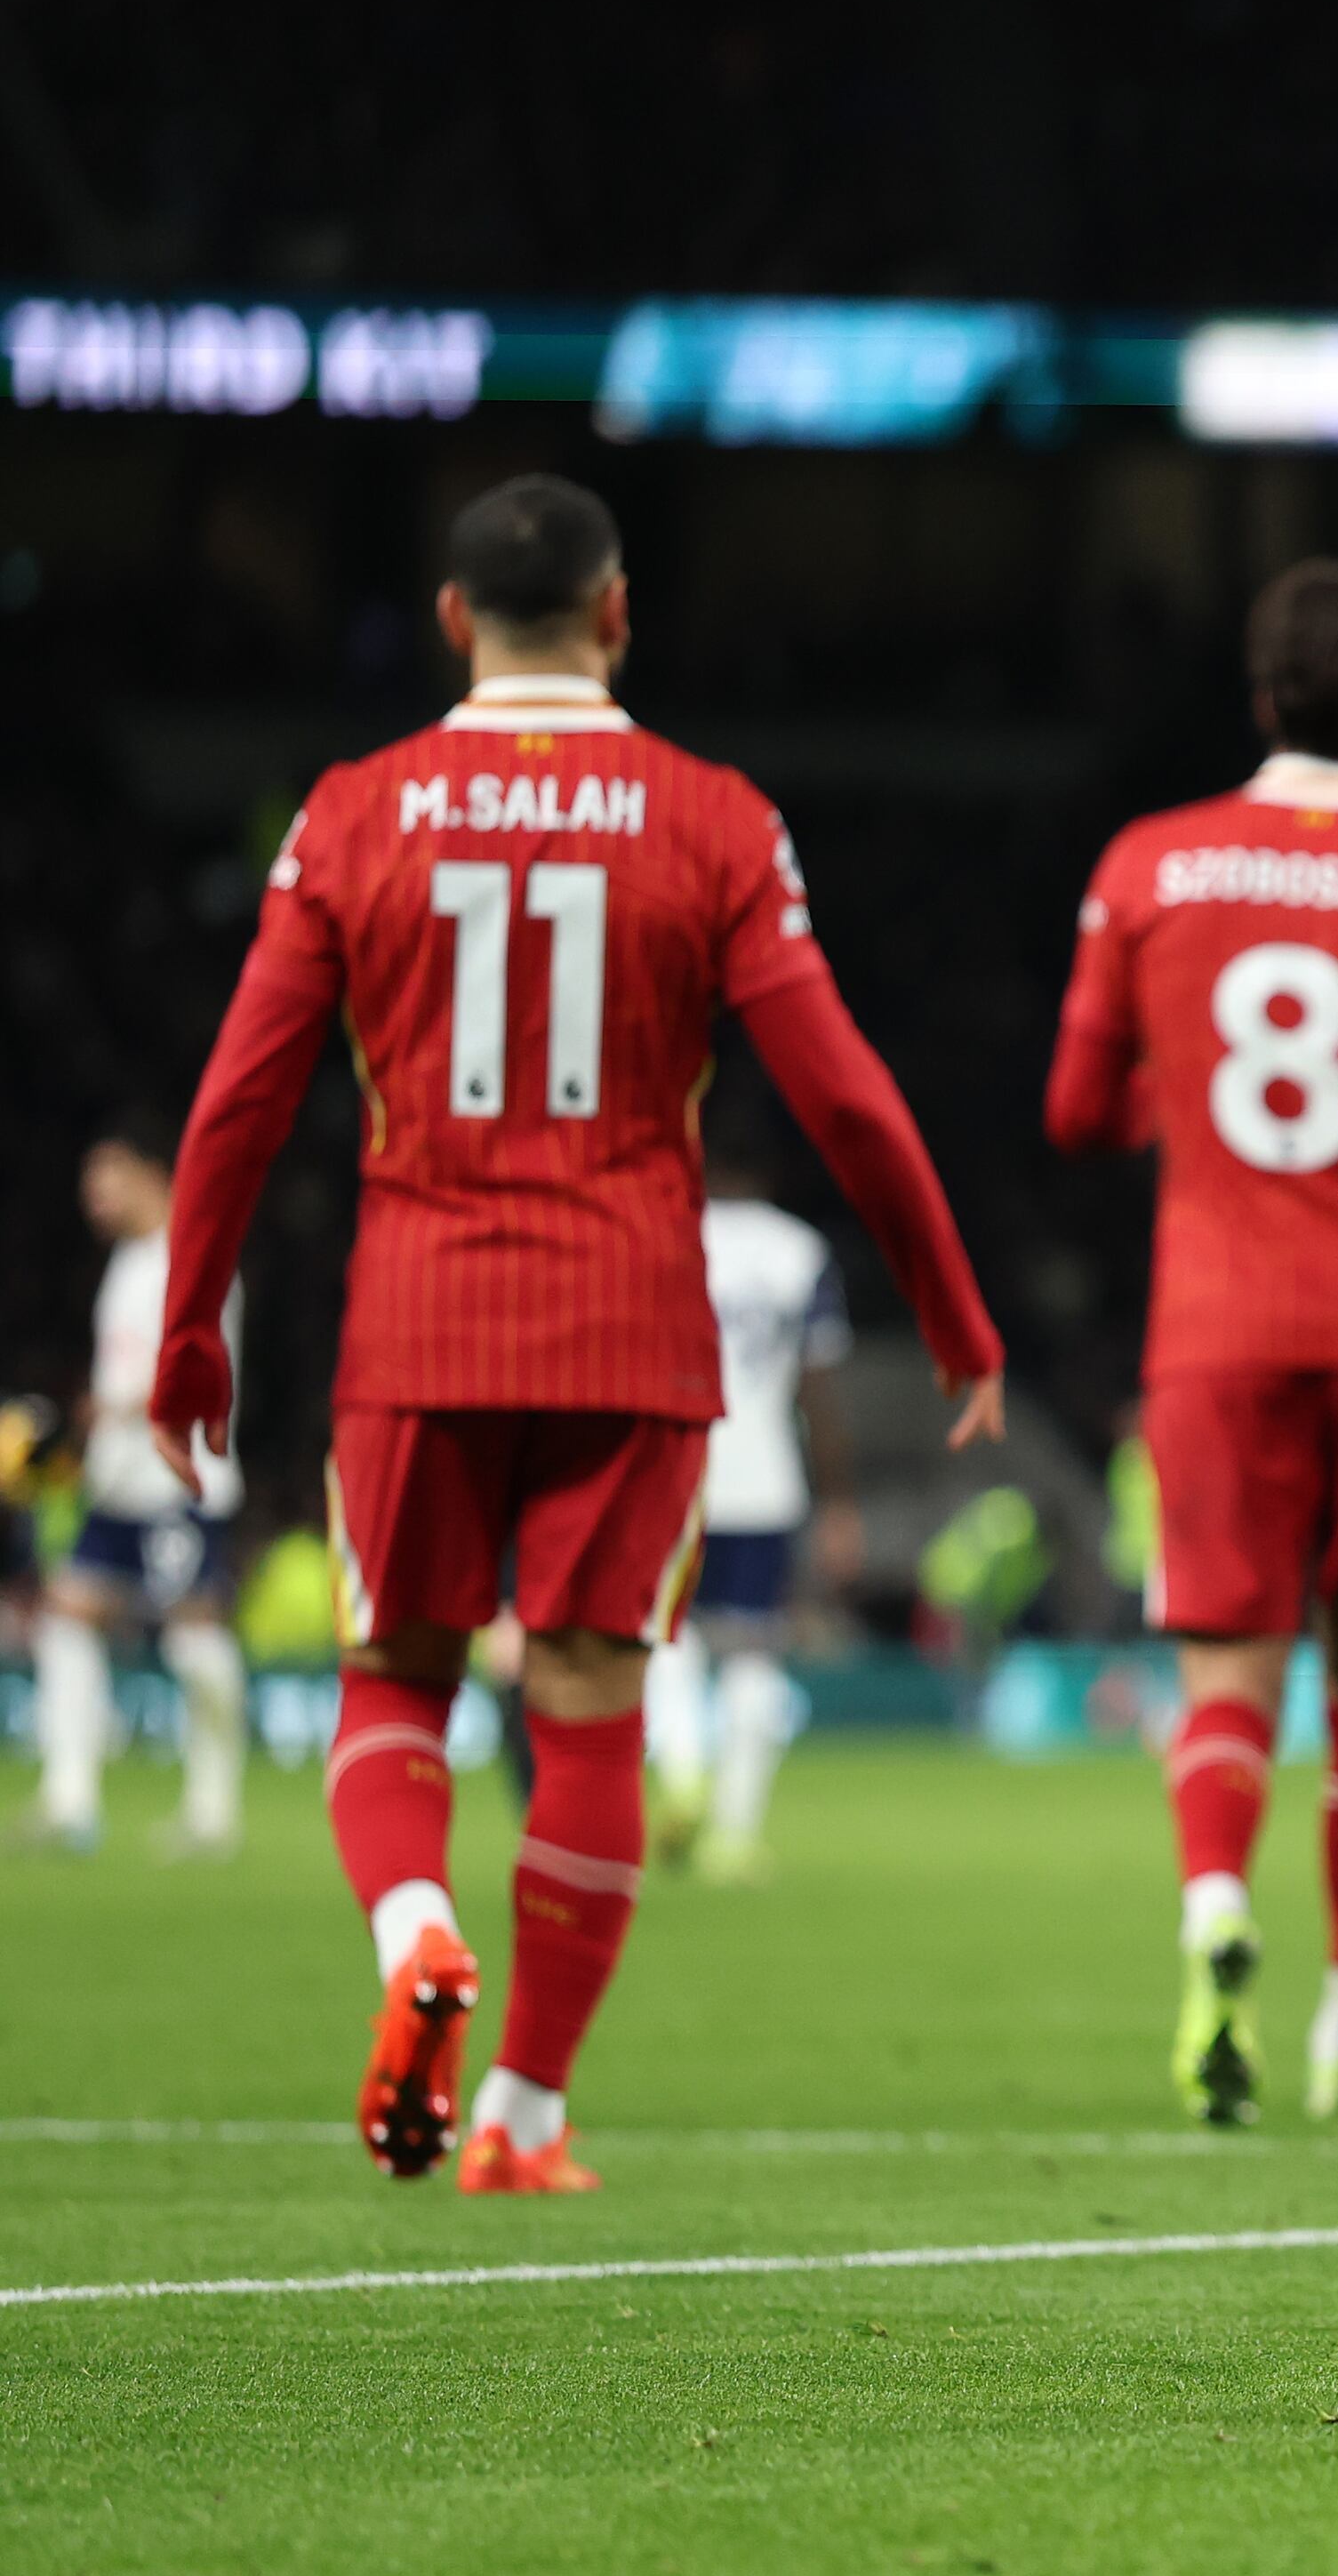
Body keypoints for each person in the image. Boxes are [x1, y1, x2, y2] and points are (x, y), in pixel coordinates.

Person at [146, 472, 1004, 2193]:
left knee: (395, 1683)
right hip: (630, 1325)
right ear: (618, 616)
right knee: (593, 1707)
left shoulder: (352, 810)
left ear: (455, 622)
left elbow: (242, 1094)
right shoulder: (712, 816)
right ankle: (526, 2114)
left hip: (418, 1320)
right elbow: (841, 1090)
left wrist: (190, 1322)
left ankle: (415, 1939)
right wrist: (951, 1305)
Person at [1048, 557, 1338, 2125]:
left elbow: (1076, 1114)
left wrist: (1180, 1112)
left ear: (1263, 695)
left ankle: (1215, 1898)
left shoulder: (1154, 862)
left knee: (1226, 1670)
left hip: (1215, 1324)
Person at [22, 1118, 252, 1858]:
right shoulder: (125, 1262)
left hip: (179, 1479)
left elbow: (194, 1372)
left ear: (154, 1173)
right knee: (66, 1619)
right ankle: (70, 1800)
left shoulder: (195, 1258)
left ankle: (214, 1809)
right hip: (118, 1482)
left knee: (193, 1638)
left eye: (108, 1175)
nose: (95, 1195)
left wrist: (95, 1412)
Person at [645, 1124, 854, 1885]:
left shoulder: (661, 1233)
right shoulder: (797, 1251)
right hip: (765, 1474)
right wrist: (838, 1498)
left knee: (670, 1637)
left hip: (675, 1467)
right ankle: (735, 1831)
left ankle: (682, 1775)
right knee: (754, 1651)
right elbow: (819, 1387)